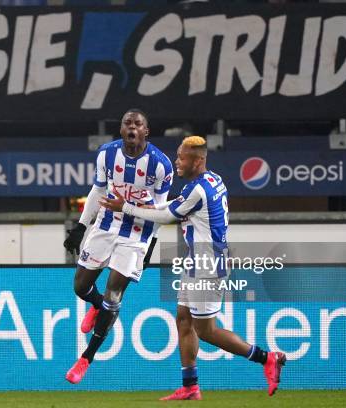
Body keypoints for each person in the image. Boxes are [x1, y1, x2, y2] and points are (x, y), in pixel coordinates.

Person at [100, 136, 286, 400]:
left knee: (206, 330)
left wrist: (128, 207)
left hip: (207, 264)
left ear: (198, 161)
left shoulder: (196, 190)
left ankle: (267, 359)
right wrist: (140, 206)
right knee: (183, 319)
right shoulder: (212, 180)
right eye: (177, 155)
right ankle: (190, 386)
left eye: (182, 157)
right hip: (197, 260)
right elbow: (173, 206)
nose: (177, 161)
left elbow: (166, 216)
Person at [63, 109, 173, 384]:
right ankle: (97, 306)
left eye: (138, 124)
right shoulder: (107, 154)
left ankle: (85, 358)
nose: (132, 127)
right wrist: (81, 226)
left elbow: (160, 209)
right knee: (80, 286)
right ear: (122, 129)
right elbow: (98, 191)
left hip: (138, 234)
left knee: (114, 292)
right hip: (106, 224)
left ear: (146, 131)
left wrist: (152, 243)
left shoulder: (161, 165)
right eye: (127, 123)